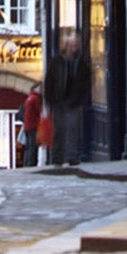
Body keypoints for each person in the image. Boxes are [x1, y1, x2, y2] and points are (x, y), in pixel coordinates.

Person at [43, 27, 92, 167]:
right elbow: (49, 81)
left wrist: (81, 97)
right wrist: (49, 100)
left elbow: (86, 81)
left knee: (73, 129)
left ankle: (72, 157)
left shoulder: (81, 62)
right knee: (59, 130)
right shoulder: (57, 61)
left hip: (74, 101)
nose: (75, 47)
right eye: (73, 44)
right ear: (66, 45)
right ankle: (57, 158)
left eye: (76, 44)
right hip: (58, 101)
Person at [19, 82, 44, 168]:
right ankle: (31, 163)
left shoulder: (29, 98)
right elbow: (39, 111)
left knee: (28, 146)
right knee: (33, 146)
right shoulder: (35, 99)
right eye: (40, 88)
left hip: (27, 126)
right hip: (34, 125)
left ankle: (27, 162)